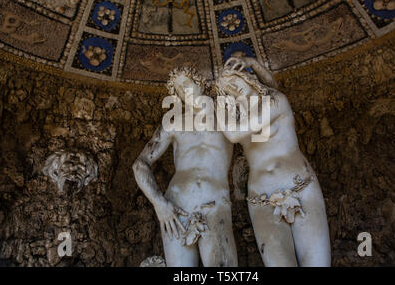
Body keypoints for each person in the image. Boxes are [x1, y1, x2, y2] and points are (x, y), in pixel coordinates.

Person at [214, 57, 331, 267]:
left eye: (233, 80)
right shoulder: (236, 118)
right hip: (261, 199)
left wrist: (253, 63)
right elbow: (230, 132)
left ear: (247, 77)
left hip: (300, 188)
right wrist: (221, 97)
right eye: (226, 89)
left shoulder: (276, 100)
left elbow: (233, 133)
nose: (231, 88)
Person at [132, 67, 238, 267]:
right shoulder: (172, 123)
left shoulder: (227, 115)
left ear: (200, 83)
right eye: (179, 89)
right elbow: (139, 165)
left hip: (214, 205)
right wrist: (160, 204)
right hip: (176, 208)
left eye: (187, 84)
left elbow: (264, 103)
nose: (184, 90)